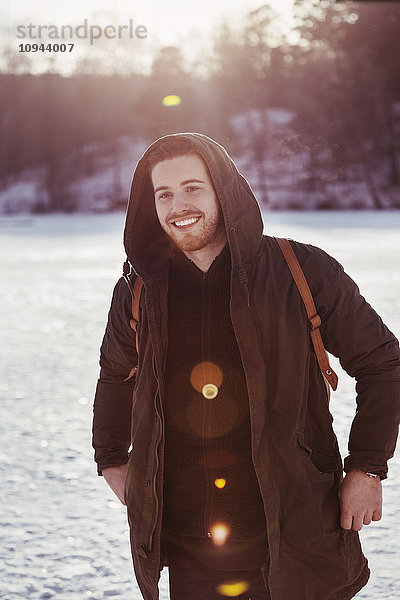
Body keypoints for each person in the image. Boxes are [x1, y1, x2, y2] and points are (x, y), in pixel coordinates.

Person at [92, 132, 400, 600]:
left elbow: (382, 363)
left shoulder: (302, 270)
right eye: (164, 193)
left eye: (193, 187)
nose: (179, 205)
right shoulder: (140, 290)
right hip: (191, 549)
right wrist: (111, 457)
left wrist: (367, 468)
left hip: (296, 536)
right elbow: (117, 375)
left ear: (224, 189)